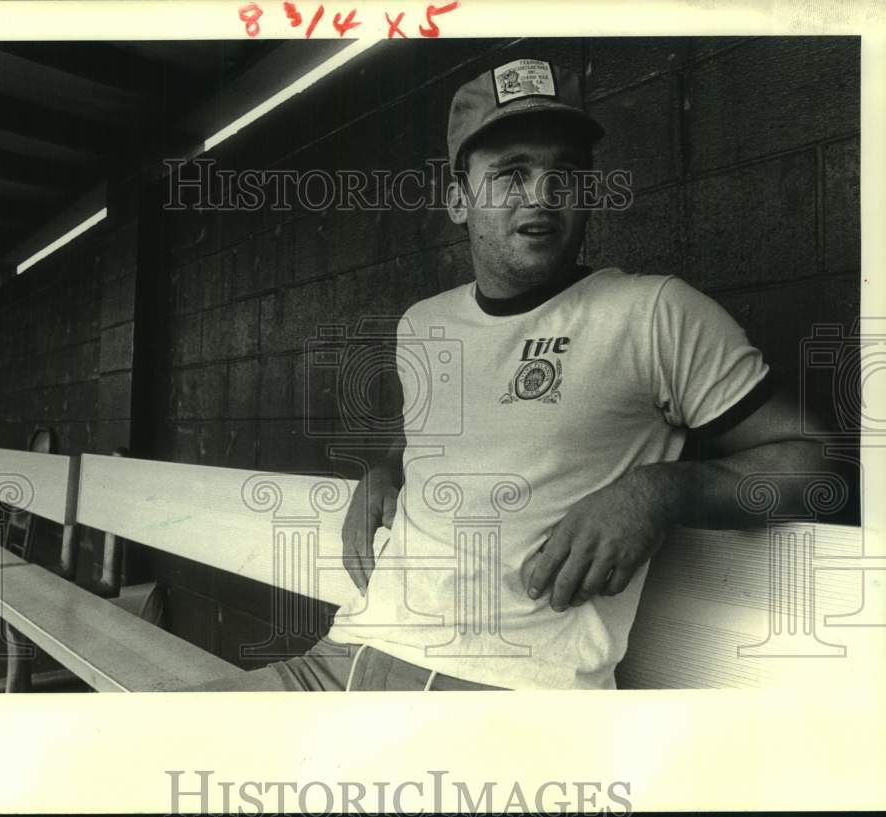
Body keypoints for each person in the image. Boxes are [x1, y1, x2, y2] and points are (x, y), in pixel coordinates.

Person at [189, 57, 832, 692]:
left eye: (566, 174)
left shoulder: (655, 312)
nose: (542, 197)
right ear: (458, 200)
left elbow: (815, 466)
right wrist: (384, 472)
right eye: (511, 173)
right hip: (345, 655)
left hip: (504, 695)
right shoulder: (424, 323)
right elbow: (435, 436)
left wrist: (658, 492)